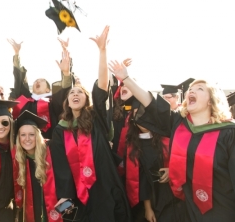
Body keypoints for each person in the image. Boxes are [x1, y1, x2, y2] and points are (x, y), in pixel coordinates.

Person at [108, 61, 235, 222]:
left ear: (211, 100)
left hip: (223, 209)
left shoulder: (228, 133)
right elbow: (153, 104)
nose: (191, 91)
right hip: (189, 209)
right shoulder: (179, 125)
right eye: (191, 89)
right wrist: (126, 78)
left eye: (200, 89)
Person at [49, 26, 131, 222]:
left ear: (87, 99)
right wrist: (65, 196)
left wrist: (102, 51)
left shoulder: (96, 119)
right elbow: (61, 166)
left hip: (105, 186)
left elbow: (102, 86)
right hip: (76, 193)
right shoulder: (61, 129)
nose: (75, 94)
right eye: (71, 93)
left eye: (80, 93)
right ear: (67, 101)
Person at [123, 102, 188, 222]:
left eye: (145, 114)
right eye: (138, 116)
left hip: (178, 196)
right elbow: (142, 179)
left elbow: (186, 161)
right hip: (156, 198)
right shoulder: (134, 147)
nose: (142, 119)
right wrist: (148, 208)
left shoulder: (169, 136)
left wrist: (172, 170)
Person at [12, 110, 74, 222]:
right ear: (18, 138)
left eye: (32, 134)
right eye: (23, 135)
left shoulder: (52, 149)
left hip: (57, 207)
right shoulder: (19, 158)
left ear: (38, 135)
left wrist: (66, 200)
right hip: (33, 211)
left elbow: (67, 174)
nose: (27, 139)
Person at [7, 38, 73, 139]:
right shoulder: (25, 99)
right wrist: (16, 54)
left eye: (41, 80)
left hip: (50, 142)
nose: (37, 81)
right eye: (36, 81)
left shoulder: (53, 100)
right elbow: (19, 80)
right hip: (25, 143)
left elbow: (66, 90)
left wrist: (66, 70)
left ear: (48, 89)